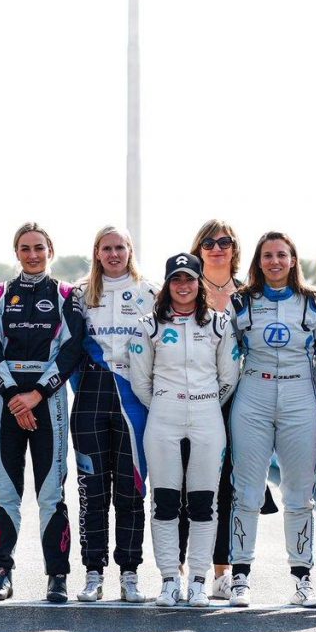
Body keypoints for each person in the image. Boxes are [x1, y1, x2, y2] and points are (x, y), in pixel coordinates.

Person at [227, 232, 316, 608]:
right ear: (258, 261)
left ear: (293, 260)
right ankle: (240, 578)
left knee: (300, 493)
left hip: (299, 395)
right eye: (268, 255)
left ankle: (303, 580)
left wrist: (305, 387)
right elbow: (229, 353)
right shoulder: (241, 300)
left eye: (281, 255)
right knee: (247, 490)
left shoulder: (315, 301)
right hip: (252, 394)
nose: (275, 261)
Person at [0, 222, 84, 603]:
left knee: (51, 492)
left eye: (39, 248)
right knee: (5, 490)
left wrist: (37, 394)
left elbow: (73, 348)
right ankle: (1, 573)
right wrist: (14, 397)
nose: (33, 255)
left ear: (50, 251)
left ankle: (57, 576)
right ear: (17, 253)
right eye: (25, 248)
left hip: (48, 400)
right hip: (6, 400)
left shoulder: (66, 294)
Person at [128, 252, 239, 607]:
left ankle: (198, 581)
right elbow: (140, 381)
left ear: (198, 282)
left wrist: (204, 401)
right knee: (164, 502)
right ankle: (168, 580)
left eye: (189, 278)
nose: (183, 285)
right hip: (164, 415)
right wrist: (165, 402)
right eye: (176, 279)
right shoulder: (149, 325)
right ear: (167, 284)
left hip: (208, 415)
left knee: (204, 502)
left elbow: (229, 378)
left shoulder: (219, 324)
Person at [188, 219, 278, 601]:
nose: (216, 248)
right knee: (188, 485)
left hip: (241, 402)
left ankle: (223, 571)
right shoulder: (183, 290)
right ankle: (182, 572)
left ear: (235, 249)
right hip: (191, 400)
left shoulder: (249, 296)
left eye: (224, 242)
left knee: (230, 486)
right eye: (209, 242)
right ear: (198, 248)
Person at [70, 226, 157, 603]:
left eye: (120, 247)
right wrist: (87, 385)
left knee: (131, 489)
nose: (114, 254)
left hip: (133, 399)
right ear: (96, 252)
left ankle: (130, 572)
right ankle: (93, 572)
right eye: (106, 248)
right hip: (91, 395)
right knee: (92, 491)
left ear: (130, 250)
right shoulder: (78, 293)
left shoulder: (150, 291)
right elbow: (70, 348)